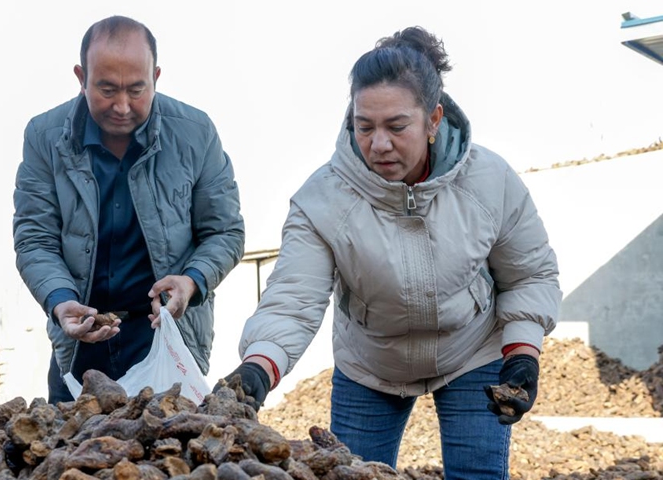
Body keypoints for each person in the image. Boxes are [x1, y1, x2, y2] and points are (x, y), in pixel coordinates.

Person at [217, 27, 561, 478]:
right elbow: (293, 301)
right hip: (370, 366)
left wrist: (522, 354)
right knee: (354, 473)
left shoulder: (490, 182)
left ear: (434, 120)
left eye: (396, 127)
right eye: (365, 127)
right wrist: (257, 369)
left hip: (472, 351)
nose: (379, 144)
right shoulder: (323, 200)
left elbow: (529, 275)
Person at [13, 15, 244, 404]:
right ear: (80, 77)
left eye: (137, 90)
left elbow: (225, 233)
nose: (122, 106)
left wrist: (191, 281)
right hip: (79, 339)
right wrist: (59, 299)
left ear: (155, 76)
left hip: (164, 339)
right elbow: (34, 239)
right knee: (67, 457)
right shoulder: (44, 137)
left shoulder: (196, 133)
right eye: (106, 89)